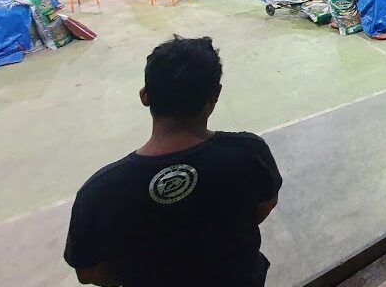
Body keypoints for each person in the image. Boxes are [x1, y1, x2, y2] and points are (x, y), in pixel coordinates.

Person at [64, 36, 282, 286]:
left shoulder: (100, 192)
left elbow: (89, 272)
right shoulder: (249, 153)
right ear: (216, 94)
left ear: (145, 96)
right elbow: (264, 205)